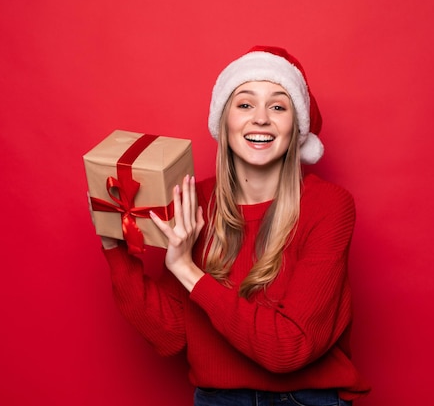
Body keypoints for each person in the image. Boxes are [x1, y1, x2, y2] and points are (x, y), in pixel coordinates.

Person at [95, 46, 370, 405]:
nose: (261, 118)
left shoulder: (329, 206)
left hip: (305, 399)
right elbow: (171, 334)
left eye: (277, 106)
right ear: (224, 121)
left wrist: (185, 269)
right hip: (217, 399)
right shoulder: (197, 201)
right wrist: (114, 243)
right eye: (244, 104)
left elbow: (289, 348)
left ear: (296, 128)